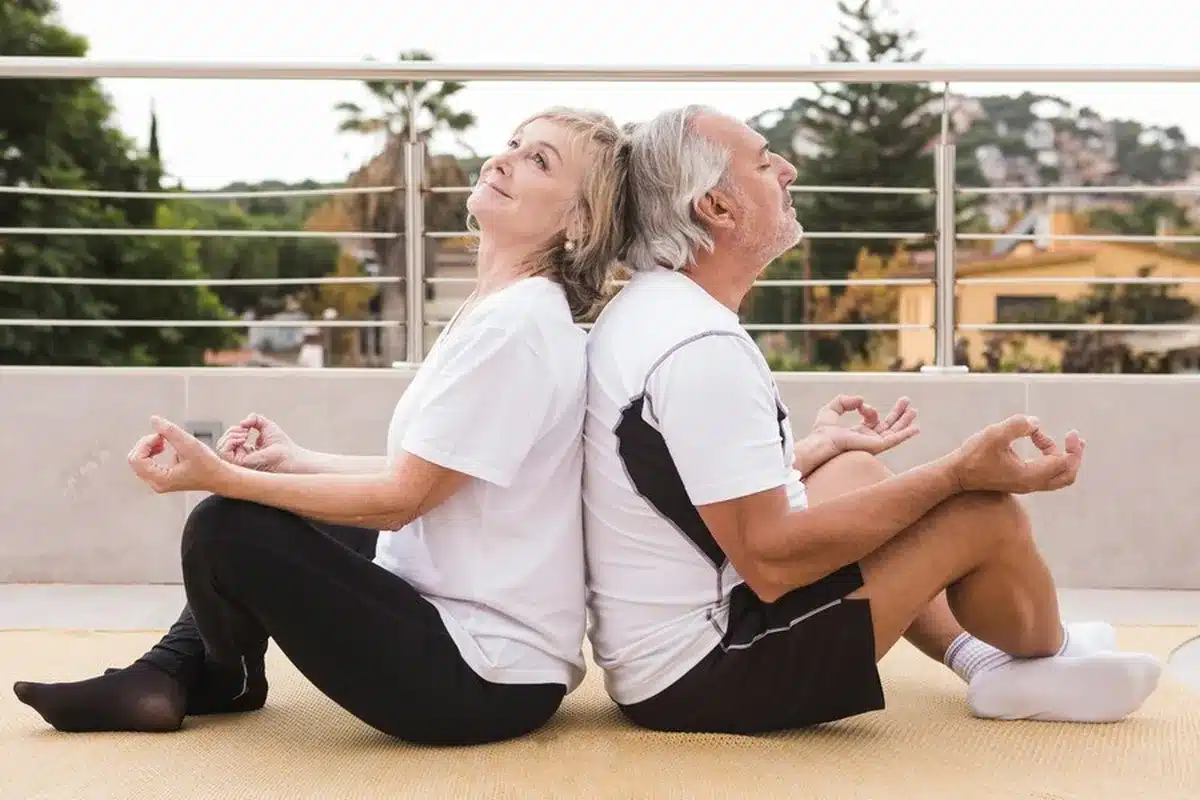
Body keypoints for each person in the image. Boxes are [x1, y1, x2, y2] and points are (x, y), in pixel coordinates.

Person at [13, 106, 632, 745]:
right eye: (513, 143)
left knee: (227, 525)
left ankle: (210, 678)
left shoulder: (517, 330)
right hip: (473, 640)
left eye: (539, 160)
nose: (504, 158)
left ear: (578, 220)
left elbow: (400, 501)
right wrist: (295, 459)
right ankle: (168, 674)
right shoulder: (500, 312)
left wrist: (224, 478)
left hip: (481, 678)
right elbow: (429, 474)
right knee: (283, 508)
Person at [581, 104, 1162, 735]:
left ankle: (986, 662)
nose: (788, 169)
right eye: (764, 160)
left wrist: (810, 448)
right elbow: (771, 562)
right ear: (715, 207)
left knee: (854, 469)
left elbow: (678, 490)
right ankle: (1046, 657)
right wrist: (957, 475)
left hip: (663, 652)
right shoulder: (699, 347)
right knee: (982, 513)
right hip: (708, 674)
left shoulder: (652, 311)